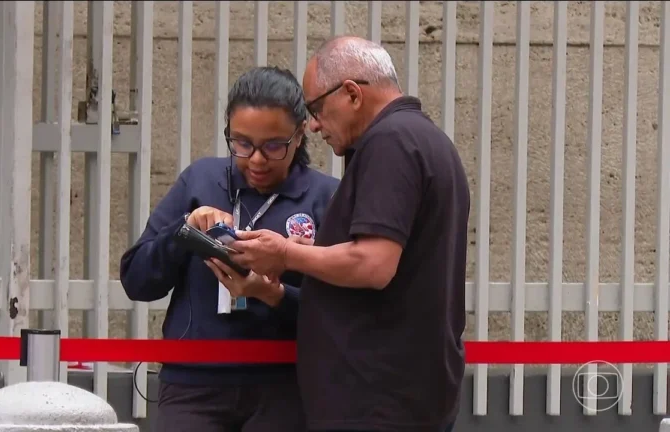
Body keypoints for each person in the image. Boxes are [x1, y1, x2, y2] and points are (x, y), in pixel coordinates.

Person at [229, 36, 469, 432]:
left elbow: (373, 264)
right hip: (403, 392)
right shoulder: (424, 139)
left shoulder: (390, 142)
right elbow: (396, 257)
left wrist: (286, 254)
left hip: (375, 398)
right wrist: (317, 250)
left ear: (352, 94)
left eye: (316, 109)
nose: (315, 125)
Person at [119, 66, 339, 432]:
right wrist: (184, 230)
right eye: (242, 143)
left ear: (300, 134)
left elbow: (339, 312)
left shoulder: (324, 197)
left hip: (285, 389)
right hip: (193, 386)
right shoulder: (200, 181)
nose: (256, 159)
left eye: (273, 146)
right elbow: (136, 280)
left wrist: (273, 295)